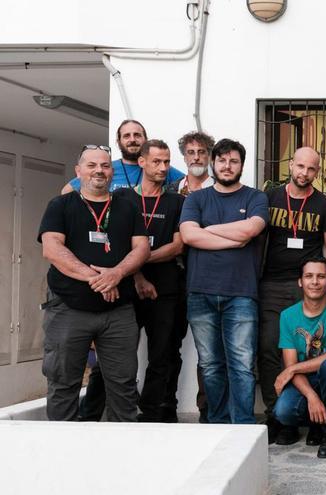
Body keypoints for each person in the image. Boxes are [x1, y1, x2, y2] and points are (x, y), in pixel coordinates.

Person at [38, 144, 150, 421]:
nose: (99, 170)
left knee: (123, 386)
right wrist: (100, 279)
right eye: (91, 165)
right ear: (78, 171)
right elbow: (52, 249)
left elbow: (142, 248)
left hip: (118, 312)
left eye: (105, 165)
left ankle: (121, 443)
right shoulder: (60, 205)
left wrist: (117, 274)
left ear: (112, 172)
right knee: (63, 382)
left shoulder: (128, 207)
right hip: (68, 309)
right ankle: (64, 443)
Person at [179, 138, 269, 424]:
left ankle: (243, 426)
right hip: (200, 292)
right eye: (222, 160)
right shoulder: (195, 199)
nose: (227, 166)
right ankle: (217, 424)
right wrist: (233, 238)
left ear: (241, 165)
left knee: (242, 364)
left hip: (241, 293)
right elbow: (189, 235)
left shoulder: (255, 198)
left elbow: (250, 230)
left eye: (233, 161)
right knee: (210, 365)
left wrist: (208, 230)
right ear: (213, 163)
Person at [260, 146, 326, 443]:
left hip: (308, 288)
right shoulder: (270, 198)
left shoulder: (324, 205)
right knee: (270, 349)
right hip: (271, 285)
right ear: (291, 164)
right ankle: (278, 416)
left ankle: (310, 416)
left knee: (310, 350)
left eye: (311, 169)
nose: (304, 173)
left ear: (317, 171)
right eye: (300, 166)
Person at [116, 140, 185, 422]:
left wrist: (140, 257)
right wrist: (137, 274)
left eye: (166, 162)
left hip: (165, 289)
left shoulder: (177, 202)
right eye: (157, 161)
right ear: (142, 162)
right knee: (119, 353)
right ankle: (112, 409)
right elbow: (117, 244)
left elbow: (177, 246)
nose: (163, 167)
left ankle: (151, 413)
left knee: (161, 354)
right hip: (127, 287)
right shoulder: (122, 198)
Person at [273, 257, 326, 458]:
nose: (314, 282)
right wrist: (311, 396)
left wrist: (292, 369)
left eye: (321, 276)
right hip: (306, 380)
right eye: (309, 276)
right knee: (283, 412)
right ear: (300, 281)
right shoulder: (287, 316)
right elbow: (291, 365)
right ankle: (315, 423)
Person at [168, 130, 216, 423]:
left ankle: (207, 412)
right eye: (191, 152)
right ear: (184, 157)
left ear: (209, 156)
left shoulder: (220, 189)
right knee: (168, 347)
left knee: (208, 352)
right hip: (172, 278)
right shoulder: (172, 190)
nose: (196, 157)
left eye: (201, 152)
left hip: (207, 277)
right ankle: (165, 410)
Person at [62, 120, 184, 193]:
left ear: (145, 139)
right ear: (118, 142)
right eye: (126, 136)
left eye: (137, 135)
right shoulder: (106, 169)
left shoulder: (161, 168)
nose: (132, 140)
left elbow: (189, 183)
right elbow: (67, 191)